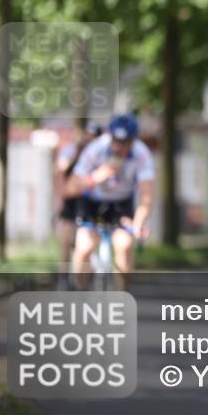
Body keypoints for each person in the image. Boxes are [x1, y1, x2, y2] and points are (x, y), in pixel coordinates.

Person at [66, 113, 154, 291]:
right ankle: (78, 292)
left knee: (124, 245)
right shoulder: (96, 149)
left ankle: (121, 299)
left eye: (125, 143)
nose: (118, 147)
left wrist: (139, 221)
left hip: (121, 204)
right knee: (84, 246)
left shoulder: (141, 154)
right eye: (116, 141)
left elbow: (146, 194)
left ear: (133, 141)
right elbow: (71, 187)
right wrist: (94, 178)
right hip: (92, 201)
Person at [53, 121, 103, 277]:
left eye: (93, 137)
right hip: (72, 200)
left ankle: (85, 274)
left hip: (91, 201)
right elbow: (60, 170)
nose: (89, 139)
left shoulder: (101, 155)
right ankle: (63, 276)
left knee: (88, 241)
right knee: (66, 240)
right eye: (88, 135)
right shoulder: (71, 151)